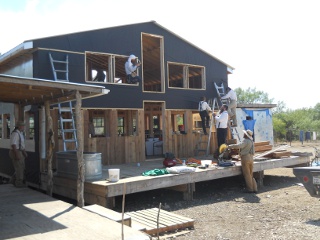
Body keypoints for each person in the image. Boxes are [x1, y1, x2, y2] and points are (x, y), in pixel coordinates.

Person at [228, 129, 258, 193]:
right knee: (250, 174)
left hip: (245, 158)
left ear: (246, 135)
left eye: (244, 134)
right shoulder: (251, 142)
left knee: (247, 174)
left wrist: (230, 146)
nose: (243, 134)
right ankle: (255, 188)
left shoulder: (246, 141)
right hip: (251, 158)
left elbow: (239, 146)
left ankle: (250, 189)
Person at [9, 121, 28, 187]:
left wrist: (24, 152)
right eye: (22, 126)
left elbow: (21, 145)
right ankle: (18, 183)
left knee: (21, 167)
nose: (23, 127)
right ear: (19, 126)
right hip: (16, 151)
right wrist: (17, 154)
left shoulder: (20, 133)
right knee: (19, 168)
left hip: (19, 151)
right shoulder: (15, 134)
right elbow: (14, 145)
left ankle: (13, 180)